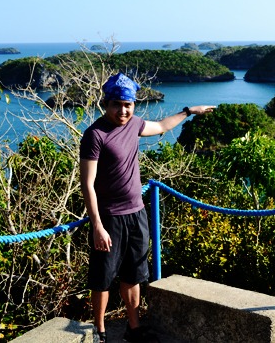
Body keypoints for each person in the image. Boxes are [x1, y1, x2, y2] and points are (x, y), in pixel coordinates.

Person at [79, 73, 215, 343]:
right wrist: (97, 226)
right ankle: (100, 331)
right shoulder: (95, 135)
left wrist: (189, 111)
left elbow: (163, 126)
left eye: (128, 104)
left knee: (134, 275)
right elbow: (87, 184)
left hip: (137, 213)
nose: (123, 110)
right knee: (103, 278)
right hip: (109, 219)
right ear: (106, 104)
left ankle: (134, 327)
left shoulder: (134, 125)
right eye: (117, 104)